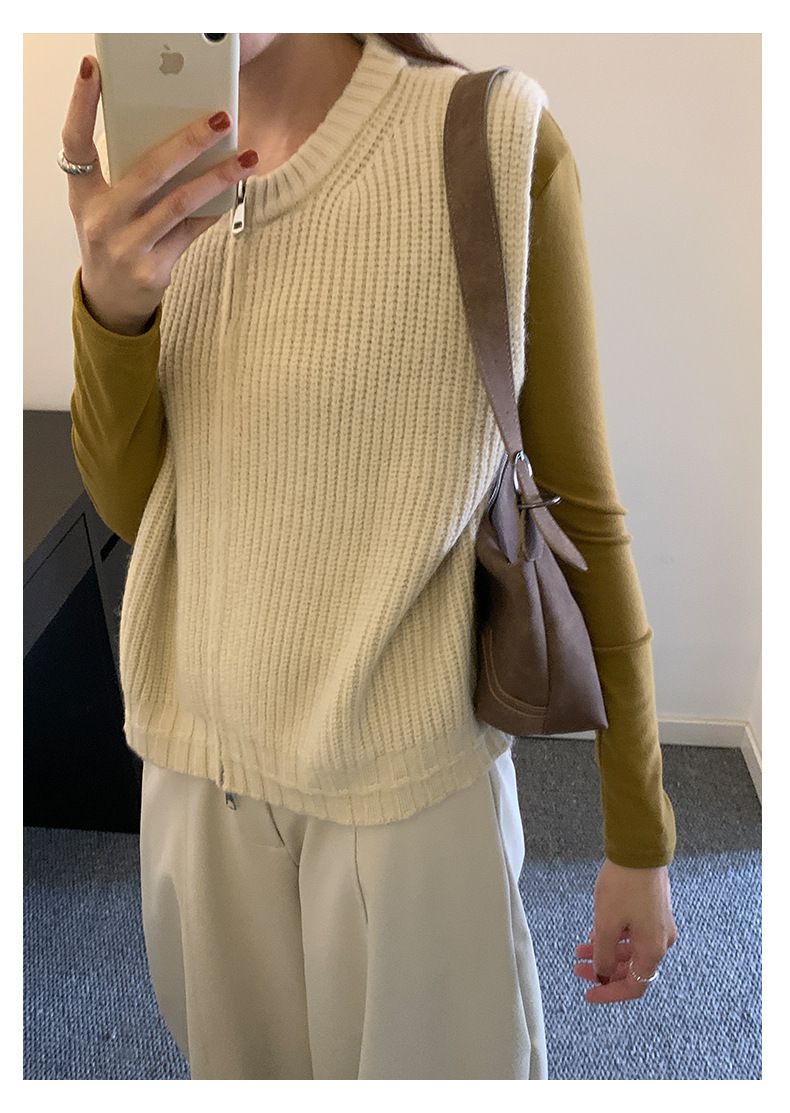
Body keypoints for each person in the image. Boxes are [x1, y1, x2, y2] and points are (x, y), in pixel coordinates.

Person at [62, 33, 678, 1081]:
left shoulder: (492, 140)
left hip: (407, 804)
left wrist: (640, 832)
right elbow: (139, 507)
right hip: (197, 783)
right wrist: (111, 310)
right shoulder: (151, 168)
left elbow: (578, 508)